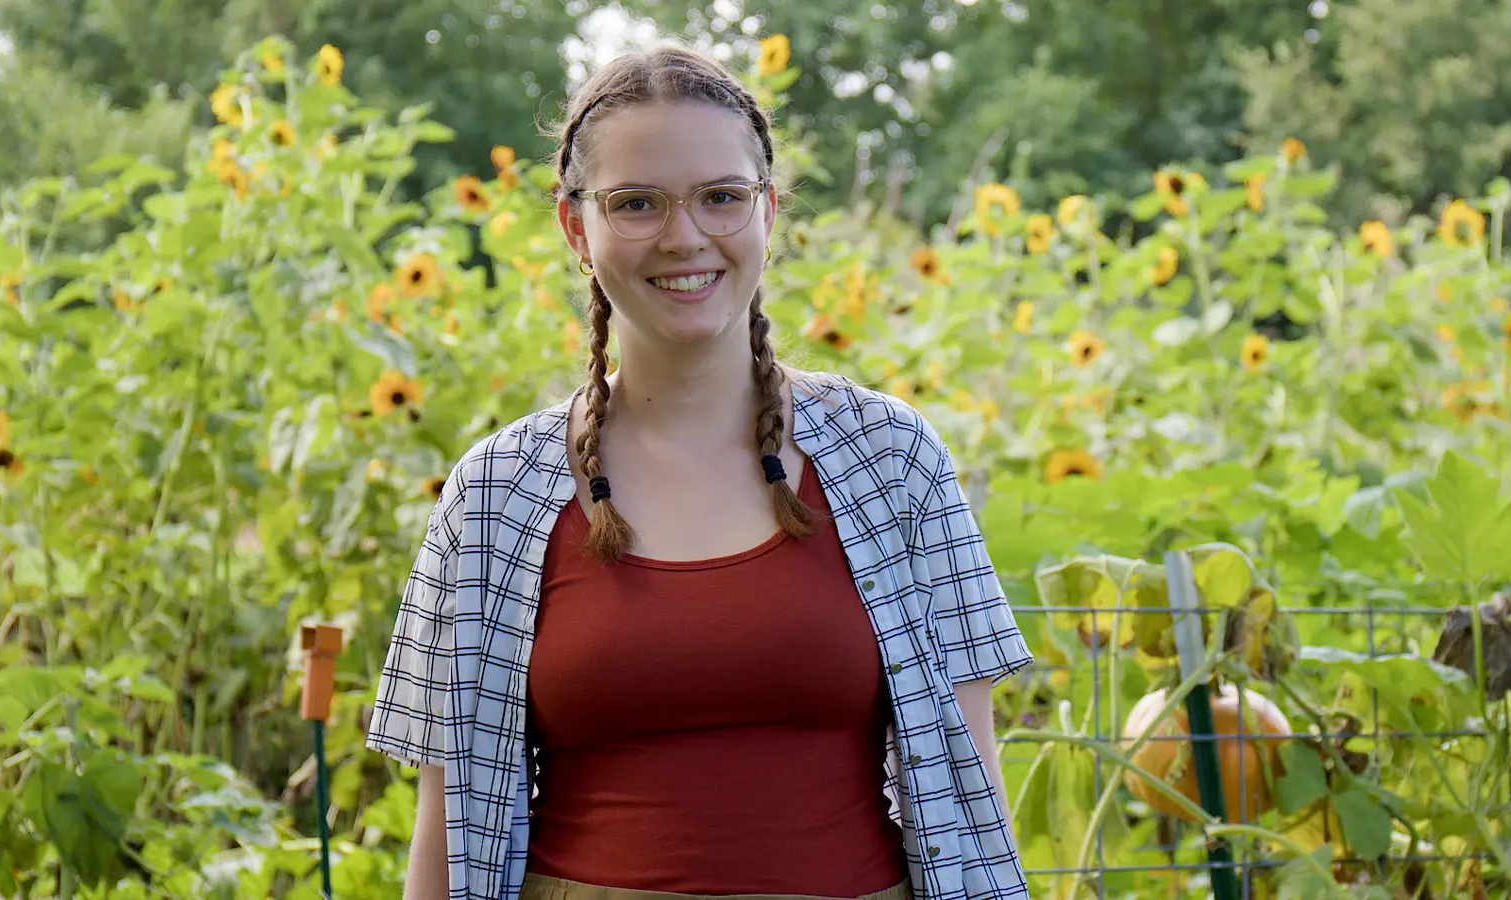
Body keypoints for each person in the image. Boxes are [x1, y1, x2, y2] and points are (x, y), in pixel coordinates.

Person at [365, 42, 1035, 900]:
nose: (685, 237)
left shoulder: (894, 460)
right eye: (636, 203)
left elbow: (969, 788)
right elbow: (449, 825)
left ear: (769, 212)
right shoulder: (497, 492)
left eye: (722, 197)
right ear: (577, 227)